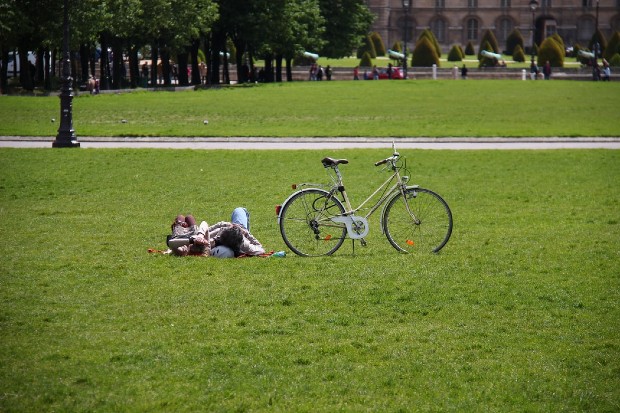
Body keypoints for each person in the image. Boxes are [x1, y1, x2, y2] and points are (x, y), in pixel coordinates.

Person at [167, 207, 265, 258]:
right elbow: (261, 249)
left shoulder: (243, 244)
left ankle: (180, 224)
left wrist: (194, 238)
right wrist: (245, 232)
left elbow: (171, 243)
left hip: (240, 232)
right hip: (241, 230)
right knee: (240, 210)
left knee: (186, 218)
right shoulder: (225, 232)